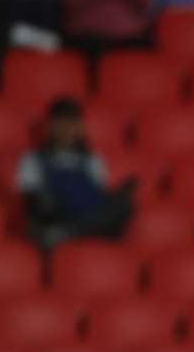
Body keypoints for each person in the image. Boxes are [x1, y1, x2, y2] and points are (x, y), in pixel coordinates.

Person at [16, 96, 135, 250]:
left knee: (121, 203)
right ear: (50, 126)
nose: (66, 130)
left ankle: (71, 233)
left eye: (72, 124)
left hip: (83, 219)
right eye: (61, 123)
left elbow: (96, 197)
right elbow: (31, 204)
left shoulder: (91, 159)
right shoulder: (33, 159)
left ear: (80, 127)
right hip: (53, 218)